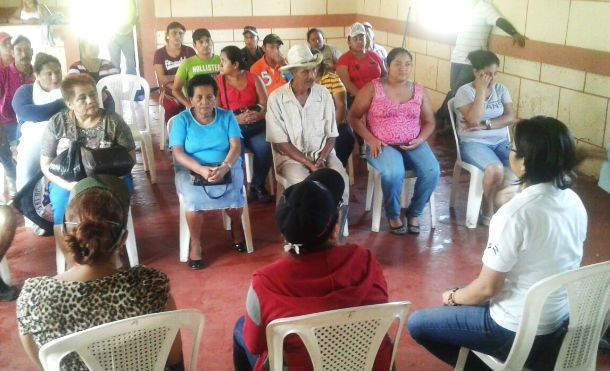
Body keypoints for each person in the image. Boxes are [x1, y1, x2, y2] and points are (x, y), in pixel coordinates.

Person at [407, 116, 586, 371]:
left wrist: (454, 297)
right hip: (556, 321)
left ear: (524, 163)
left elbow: (487, 288)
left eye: (513, 149)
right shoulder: (573, 201)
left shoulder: (514, 214)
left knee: (419, 323)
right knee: (462, 294)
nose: (510, 154)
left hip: (512, 328)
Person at [16, 175, 183, 371]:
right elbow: (172, 358)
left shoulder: (34, 297)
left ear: (64, 234)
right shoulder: (151, 285)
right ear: (123, 239)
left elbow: (44, 363)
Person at [233, 168, 391, 371]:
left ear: (285, 235)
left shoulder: (264, 283)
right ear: (335, 229)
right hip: (366, 365)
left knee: (241, 327)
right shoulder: (366, 261)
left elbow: (255, 345)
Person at [40, 74, 135, 260]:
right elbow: (45, 164)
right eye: (82, 98)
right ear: (69, 103)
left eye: (93, 94)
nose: (91, 100)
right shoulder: (57, 124)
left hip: (111, 180)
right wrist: (71, 186)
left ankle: (110, 253)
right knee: (62, 211)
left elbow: (130, 159)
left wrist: (97, 184)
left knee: (108, 211)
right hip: (68, 182)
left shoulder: (113, 121)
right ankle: (70, 259)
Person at [347, 48, 439, 235]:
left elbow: (430, 122)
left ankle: (415, 212)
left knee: (432, 171)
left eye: (407, 64)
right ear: (387, 66)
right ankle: (393, 214)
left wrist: (420, 139)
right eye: (398, 64)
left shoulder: (418, 90)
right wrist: (370, 139)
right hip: (382, 144)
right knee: (392, 173)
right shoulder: (373, 88)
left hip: (414, 143)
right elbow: (353, 117)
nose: (403, 68)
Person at [169, 74, 246, 270]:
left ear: (216, 97)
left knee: (236, 199)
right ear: (191, 99)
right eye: (199, 97)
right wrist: (201, 169)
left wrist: (225, 166)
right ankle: (196, 242)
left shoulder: (227, 116)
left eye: (209, 97)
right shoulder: (181, 120)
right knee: (193, 202)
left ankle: (236, 225)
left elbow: (235, 146)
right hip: (192, 169)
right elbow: (177, 152)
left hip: (225, 165)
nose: (204, 102)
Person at [266, 44, 349, 205]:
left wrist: (322, 158)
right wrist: (308, 163)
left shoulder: (323, 94)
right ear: (292, 73)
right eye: (305, 71)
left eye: (313, 70)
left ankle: (337, 224)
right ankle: (308, 227)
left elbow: (332, 135)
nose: (311, 75)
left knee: (341, 181)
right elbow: (281, 143)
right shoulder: (277, 98)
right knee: (305, 186)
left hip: (323, 156)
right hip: (290, 159)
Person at [436, 0, 526, 125]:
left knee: (457, 92)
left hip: (472, 62)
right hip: (457, 57)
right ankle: (449, 121)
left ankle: (441, 117)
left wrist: (514, 33)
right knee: (454, 91)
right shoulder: (465, 8)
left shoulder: (485, 7)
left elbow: (498, 20)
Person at [454, 50, 517, 225]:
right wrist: (481, 91)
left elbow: (510, 117)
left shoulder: (501, 89)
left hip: (500, 141)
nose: (492, 78)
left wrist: (486, 125)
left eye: (495, 73)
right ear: (476, 72)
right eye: (487, 74)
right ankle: (487, 208)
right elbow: (473, 119)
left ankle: (510, 206)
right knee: (495, 169)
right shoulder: (464, 92)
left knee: (524, 164)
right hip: (473, 143)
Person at [11, 52, 65, 235]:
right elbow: (29, 113)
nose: (55, 77)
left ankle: (64, 215)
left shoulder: (66, 89)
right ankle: (33, 218)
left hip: (61, 139)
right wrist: (59, 103)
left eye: (58, 72)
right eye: (49, 73)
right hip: (32, 140)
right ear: (37, 74)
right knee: (26, 171)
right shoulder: (25, 91)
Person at [217, 45, 272, 203]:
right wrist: (236, 120)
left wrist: (259, 113)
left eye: (223, 61)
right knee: (236, 154)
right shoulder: (218, 82)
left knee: (265, 148)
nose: (220, 65)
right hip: (233, 129)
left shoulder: (253, 78)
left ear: (235, 65)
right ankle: (237, 188)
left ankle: (257, 185)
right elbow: (217, 111)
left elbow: (265, 102)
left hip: (255, 127)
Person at [336, 22, 386, 158]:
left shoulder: (375, 56)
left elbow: (385, 76)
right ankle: (365, 142)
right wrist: (365, 97)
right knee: (363, 111)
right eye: (356, 39)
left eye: (362, 38)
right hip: (355, 97)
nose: (359, 41)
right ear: (349, 41)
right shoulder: (343, 60)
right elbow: (346, 83)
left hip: (378, 96)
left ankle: (386, 140)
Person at [0, 35, 34, 196]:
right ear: (12, 53)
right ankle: (16, 189)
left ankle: (33, 184)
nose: (24, 53)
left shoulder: (39, 75)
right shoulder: (3, 74)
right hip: (7, 122)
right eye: (19, 50)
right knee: (5, 152)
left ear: (32, 52)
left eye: (27, 50)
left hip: (33, 122)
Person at [313, 52, 354, 167]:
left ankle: (338, 168)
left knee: (346, 137)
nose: (313, 67)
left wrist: (331, 129)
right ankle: (314, 172)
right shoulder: (303, 82)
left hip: (334, 123)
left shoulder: (333, 79)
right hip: (311, 126)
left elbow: (341, 106)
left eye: (316, 64)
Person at [153, 21, 196, 122]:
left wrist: (183, 88)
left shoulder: (189, 51)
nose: (178, 36)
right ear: (167, 35)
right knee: (170, 107)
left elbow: (193, 73)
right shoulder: (159, 54)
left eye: (180, 33)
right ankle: (172, 132)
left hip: (188, 88)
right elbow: (163, 79)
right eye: (174, 33)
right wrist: (180, 80)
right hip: (169, 90)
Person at [172, 28, 220, 108]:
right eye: (201, 42)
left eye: (208, 41)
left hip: (219, 106)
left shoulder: (221, 60)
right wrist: (188, 104)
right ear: (194, 45)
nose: (205, 44)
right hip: (198, 108)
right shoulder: (187, 64)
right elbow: (175, 90)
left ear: (212, 42)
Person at [68, 38, 119, 110]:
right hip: (85, 103)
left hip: (107, 101)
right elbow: (73, 89)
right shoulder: (76, 67)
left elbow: (117, 85)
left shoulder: (108, 64)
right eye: (91, 47)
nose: (95, 50)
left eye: (97, 47)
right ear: (83, 48)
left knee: (110, 111)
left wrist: (106, 95)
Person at [107, 0, 138, 75]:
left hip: (128, 34)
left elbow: (135, 15)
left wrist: (129, 26)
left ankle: (133, 85)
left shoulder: (131, 2)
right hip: (112, 35)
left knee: (131, 64)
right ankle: (115, 85)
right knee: (114, 66)